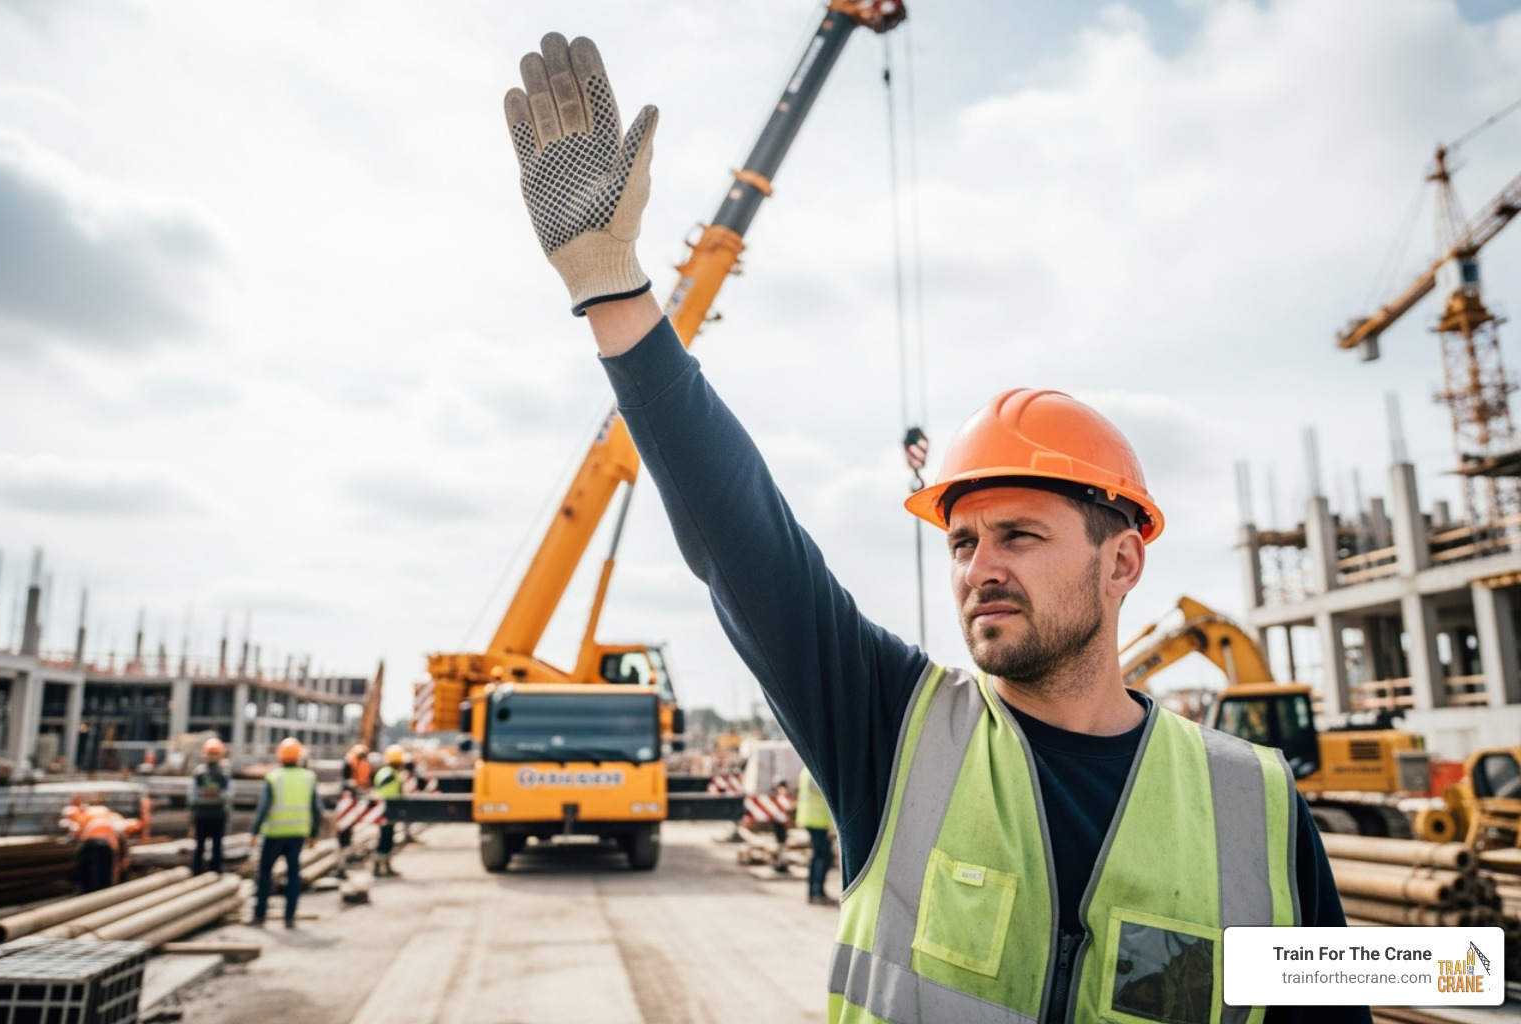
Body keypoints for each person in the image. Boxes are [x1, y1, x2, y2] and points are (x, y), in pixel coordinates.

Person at [502, 34, 1367, 1024]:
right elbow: (746, 542)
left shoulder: (1251, 804)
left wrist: (1463, 976)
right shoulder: (896, 732)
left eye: (1020, 536)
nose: (980, 567)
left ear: (1122, 558)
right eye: (962, 542)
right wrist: (614, 288)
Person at [249, 737, 322, 928]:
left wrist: (254, 832)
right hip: (297, 834)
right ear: (299, 757)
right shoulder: (309, 777)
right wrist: (314, 834)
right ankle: (289, 917)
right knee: (293, 875)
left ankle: (259, 915)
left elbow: (263, 808)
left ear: (280, 756)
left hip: (274, 834)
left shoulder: (274, 777)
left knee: (265, 874)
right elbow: (317, 810)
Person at [189, 737, 232, 875]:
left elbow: (192, 796)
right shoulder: (223, 774)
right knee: (217, 846)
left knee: (200, 846)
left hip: (201, 815)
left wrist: (192, 814)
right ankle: (215, 872)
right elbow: (228, 796)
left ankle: (196, 872)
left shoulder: (198, 773)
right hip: (218, 815)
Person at [796, 767, 836, 906]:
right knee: (822, 856)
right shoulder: (819, 770)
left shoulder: (806, 770)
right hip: (819, 821)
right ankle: (817, 891)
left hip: (811, 819)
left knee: (818, 856)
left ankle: (814, 891)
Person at [370, 744, 405, 877]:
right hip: (385, 810)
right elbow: (381, 788)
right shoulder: (389, 773)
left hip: (389, 809)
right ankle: (379, 866)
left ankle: (385, 866)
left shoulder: (388, 772)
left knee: (388, 837)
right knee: (385, 838)